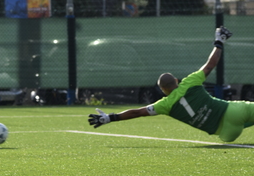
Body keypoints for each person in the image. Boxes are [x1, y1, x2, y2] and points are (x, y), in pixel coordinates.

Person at [88, 26, 254, 142]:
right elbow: (211, 64)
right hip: (233, 112)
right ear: (176, 81)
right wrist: (219, 42)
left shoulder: (164, 105)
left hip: (225, 133)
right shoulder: (189, 82)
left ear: (162, 91)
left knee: (231, 132)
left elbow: (136, 113)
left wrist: (110, 118)